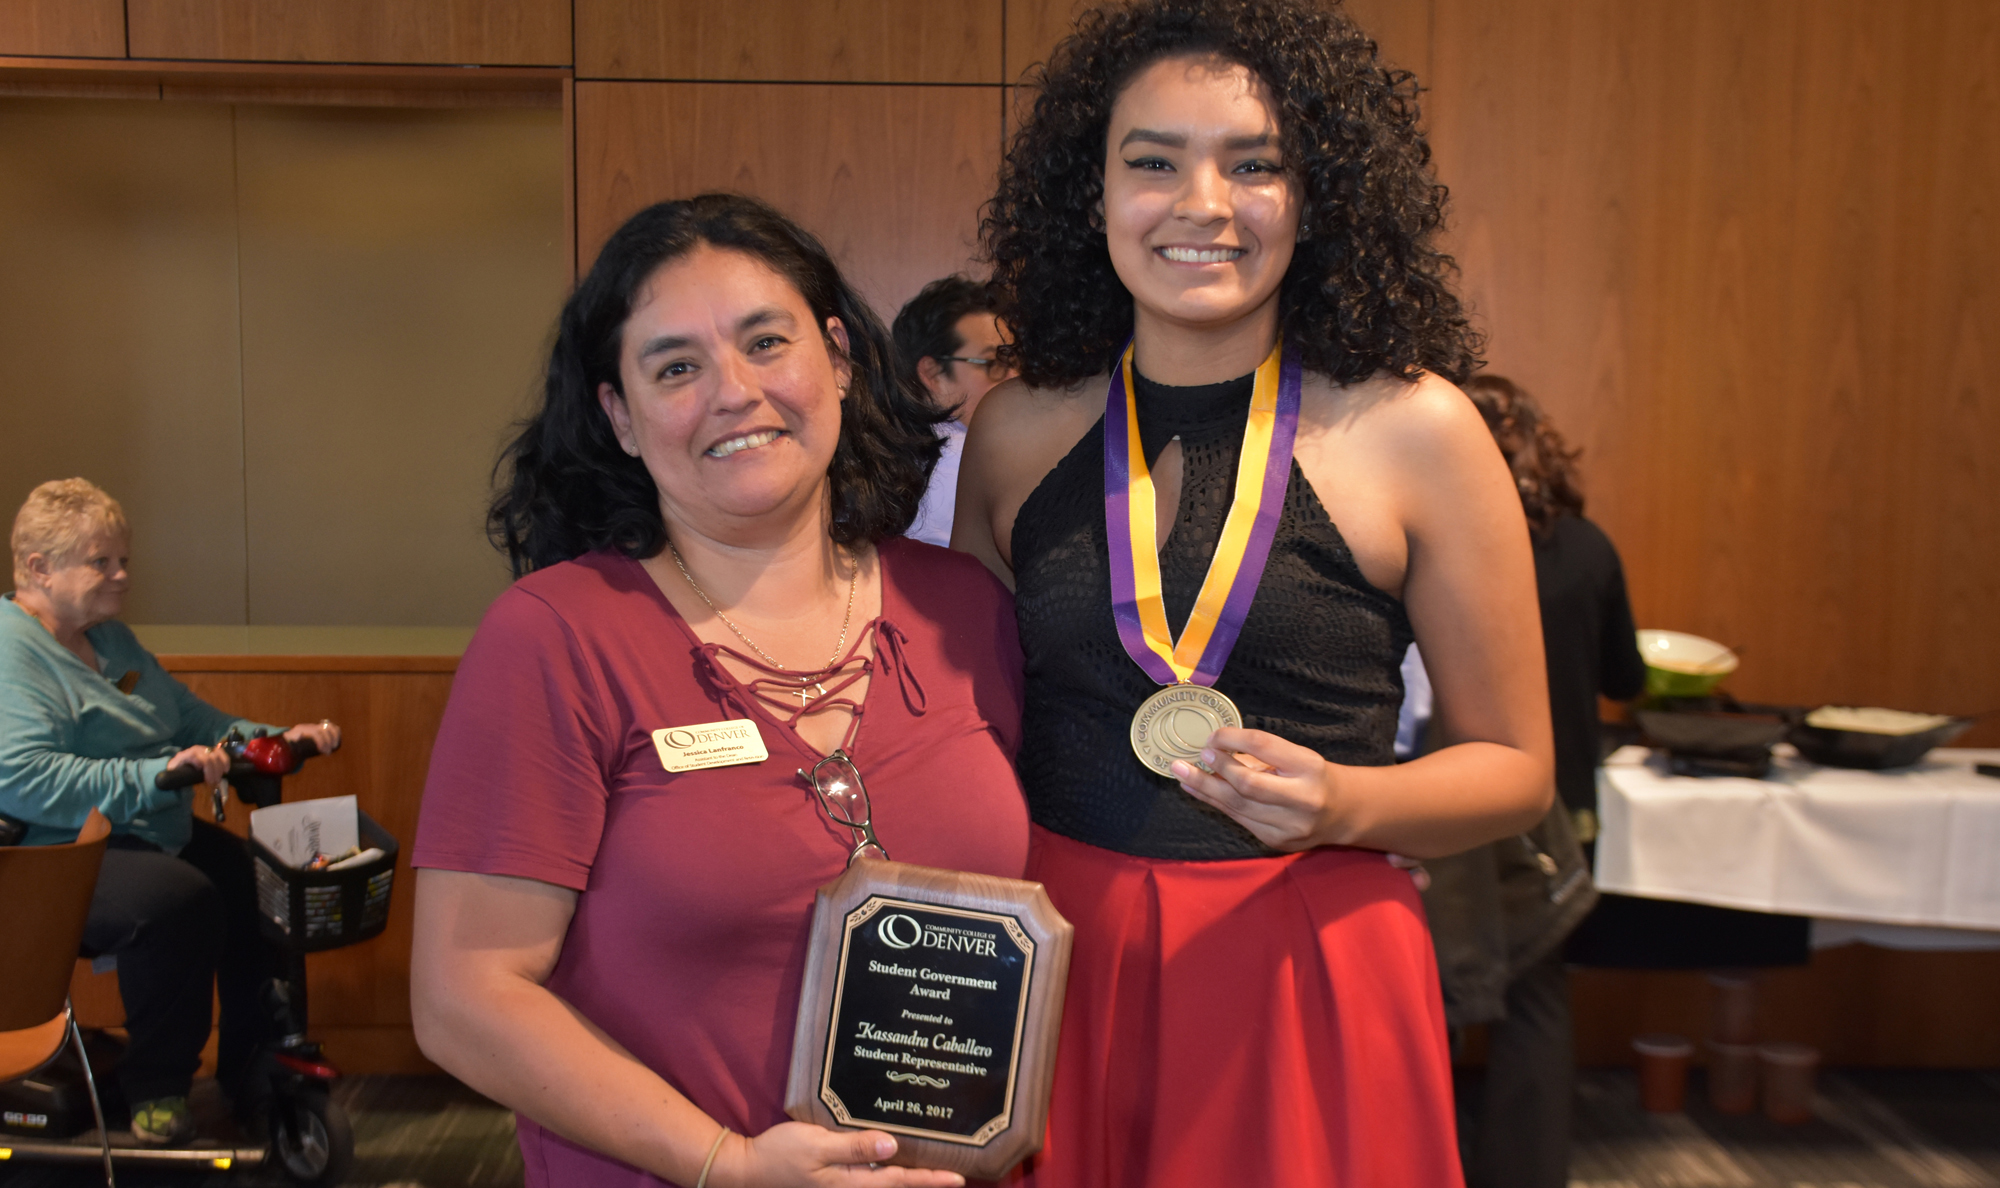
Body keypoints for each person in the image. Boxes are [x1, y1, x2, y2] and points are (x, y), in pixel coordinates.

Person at [957, 1, 1555, 1184]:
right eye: (1153, 163)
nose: (1203, 204)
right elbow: (973, 722)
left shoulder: (1415, 429)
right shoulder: (1016, 429)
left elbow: (1516, 769)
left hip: (1307, 949)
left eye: (1254, 164)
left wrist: (1345, 803)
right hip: (1059, 946)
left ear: (1315, 193)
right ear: (1091, 194)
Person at [408, 194, 1027, 1188]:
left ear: (835, 355)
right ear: (617, 413)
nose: (734, 392)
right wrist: (724, 1166)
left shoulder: (965, 610)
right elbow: (466, 996)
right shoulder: (556, 639)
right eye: (675, 368)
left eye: (764, 341)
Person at [0, 477, 341, 1144]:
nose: (122, 575)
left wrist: (272, 738)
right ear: (38, 568)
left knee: (252, 882)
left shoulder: (113, 642)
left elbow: (193, 718)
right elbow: (22, 779)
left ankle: (253, 1068)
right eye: (102, 561)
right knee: (178, 900)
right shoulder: (11, 654)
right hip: (50, 856)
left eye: (123, 559)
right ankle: (155, 1089)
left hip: (139, 833)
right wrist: (154, 774)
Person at [1410, 374, 1636, 1188]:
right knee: (1537, 989)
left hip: (1438, 800)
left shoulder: (1429, 534)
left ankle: (1413, 1158)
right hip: (1558, 809)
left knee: (1423, 993)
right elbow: (1627, 674)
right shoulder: (1585, 548)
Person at [891, 276, 1015, 546]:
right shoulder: (962, 458)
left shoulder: (895, 449)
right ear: (933, 374)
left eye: (1016, 360)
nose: (1015, 376)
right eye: (994, 362)